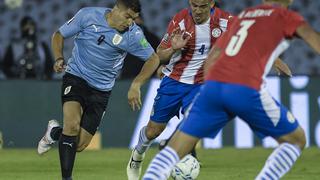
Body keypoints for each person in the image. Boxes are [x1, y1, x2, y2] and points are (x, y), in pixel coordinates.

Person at [142, 0, 320, 179]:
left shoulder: (245, 15)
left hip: (213, 87)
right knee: (296, 140)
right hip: (245, 87)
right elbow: (315, 41)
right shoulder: (287, 17)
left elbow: (214, 55)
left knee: (174, 148)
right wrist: (277, 61)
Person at [37, 0, 160, 179]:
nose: (130, 22)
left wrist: (136, 84)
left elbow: (153, 59)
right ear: (116, 9)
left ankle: (54, 132)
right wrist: (58, 58)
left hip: (101, 91)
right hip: (76, 77)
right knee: (71, 126)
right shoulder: (88, 15)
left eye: (133, 19)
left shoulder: (133, 34)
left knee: (78, 145)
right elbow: (58, 35)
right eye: (127, 17)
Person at [126, 1, 233, 179]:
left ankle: (172, 153)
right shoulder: (180, 21)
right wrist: (173, 49)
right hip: (174, 82)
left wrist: (274, 60)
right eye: (194, 5)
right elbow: (159, 54)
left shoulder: (226, 21)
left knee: (193, 123)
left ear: (212, 3)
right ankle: (137, 156)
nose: (197, 10)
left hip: (200, 85)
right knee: (153, 130)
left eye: (202, 6)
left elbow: (250, 38)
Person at [120, 14, 161, 79]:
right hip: (127, 78)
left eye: (134, 19)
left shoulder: (153, 39)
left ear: (141, 20)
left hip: (147, 79)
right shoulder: (122, 37)